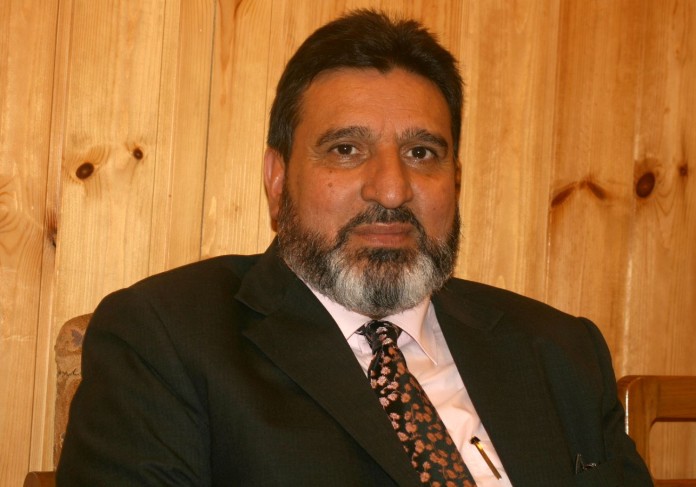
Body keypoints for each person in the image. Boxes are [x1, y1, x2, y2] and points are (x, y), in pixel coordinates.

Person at [57, 9, 652, 487]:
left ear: (456, 180)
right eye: (346, 150)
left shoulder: (561, 353)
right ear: (277, 180)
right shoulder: (165, 339)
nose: (391, 188)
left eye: (421, 153)